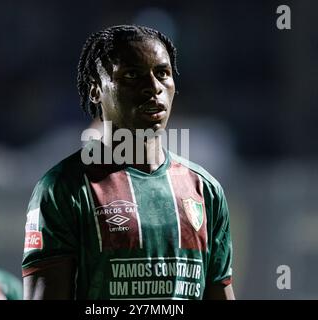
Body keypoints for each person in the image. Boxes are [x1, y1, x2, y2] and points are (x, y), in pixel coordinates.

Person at [22, 25, 234, 300]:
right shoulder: (63, 189)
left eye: (162, 74)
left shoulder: (205, 190)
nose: (153, 88)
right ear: (95, 90)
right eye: (132, 75)